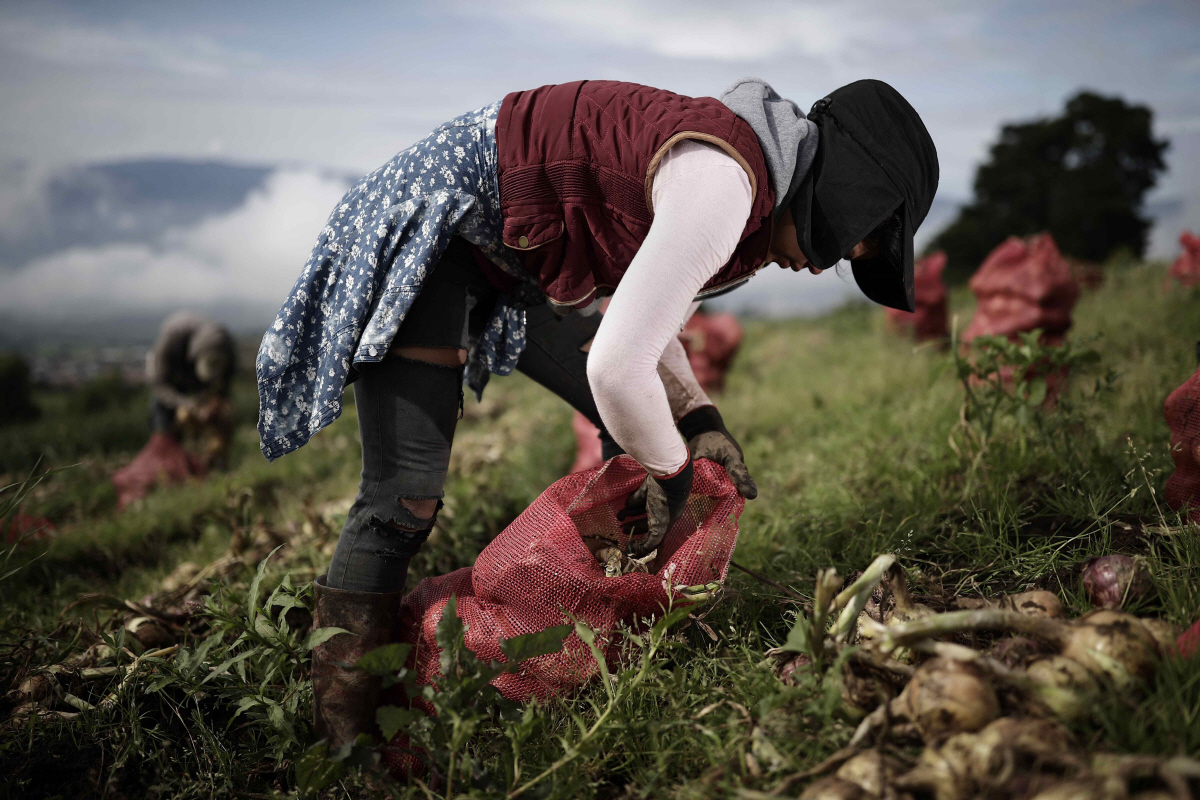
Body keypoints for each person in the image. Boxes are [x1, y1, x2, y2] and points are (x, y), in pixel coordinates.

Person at [256, 78, 938, 747]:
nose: (837, 262)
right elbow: (615, 366)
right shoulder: (726, 183)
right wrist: (672, 475)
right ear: (846, 192)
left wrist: (698, 419)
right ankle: (343, 739)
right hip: (443, 233)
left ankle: (606, 624)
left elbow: (647, 320)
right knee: (401, 501)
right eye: (862, 239)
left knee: (634, 431)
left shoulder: (749, 189)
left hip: (512, 262)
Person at [147, 311, 236, 467]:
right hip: (173, 379)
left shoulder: (226, 347)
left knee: (219, 417)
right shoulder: (171, 339)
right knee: (164, 424)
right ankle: (166, 463)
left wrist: (215, 403)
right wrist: (188, 404)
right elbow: (158, 383)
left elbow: (225, 385)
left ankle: (215, 462)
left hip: (199, 378)